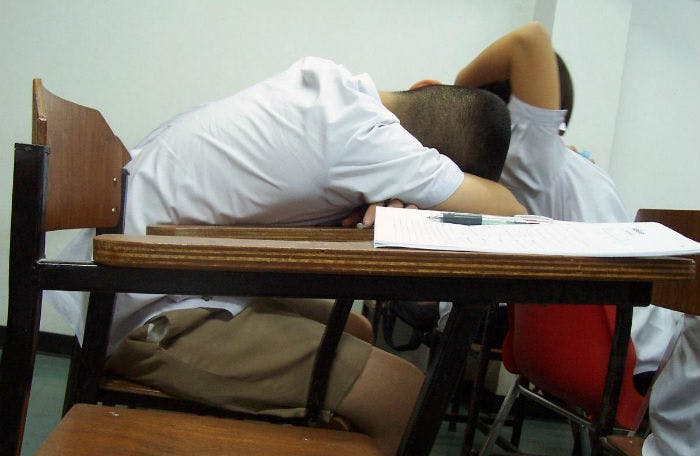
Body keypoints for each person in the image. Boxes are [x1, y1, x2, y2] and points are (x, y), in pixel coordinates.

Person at [47, 56, 525, 455]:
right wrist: (414, 191)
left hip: (141, 276)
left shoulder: (328, 84)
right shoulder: (370, 141)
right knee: (403, 395)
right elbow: (513, 214)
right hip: (143, 311)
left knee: (356, 327)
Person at [451, 22, 690, 454]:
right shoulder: (532, 165)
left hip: (578, 351)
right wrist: (461, 96)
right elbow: (530, 39)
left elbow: (529, 44)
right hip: (633, 355)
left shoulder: (526, 170)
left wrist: (462, 98)